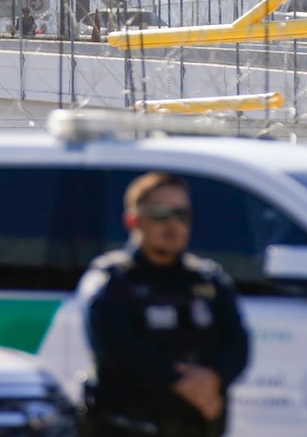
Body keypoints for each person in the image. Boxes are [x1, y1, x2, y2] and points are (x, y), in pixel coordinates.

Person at [77, 172, 249, 437]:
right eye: (160, 214)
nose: (173, 224)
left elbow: (238, 344)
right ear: (133, 220)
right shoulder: (112, 281)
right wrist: (183, 383)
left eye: (182, 214)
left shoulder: (209, 281)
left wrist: (213, 379)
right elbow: (120, 351)